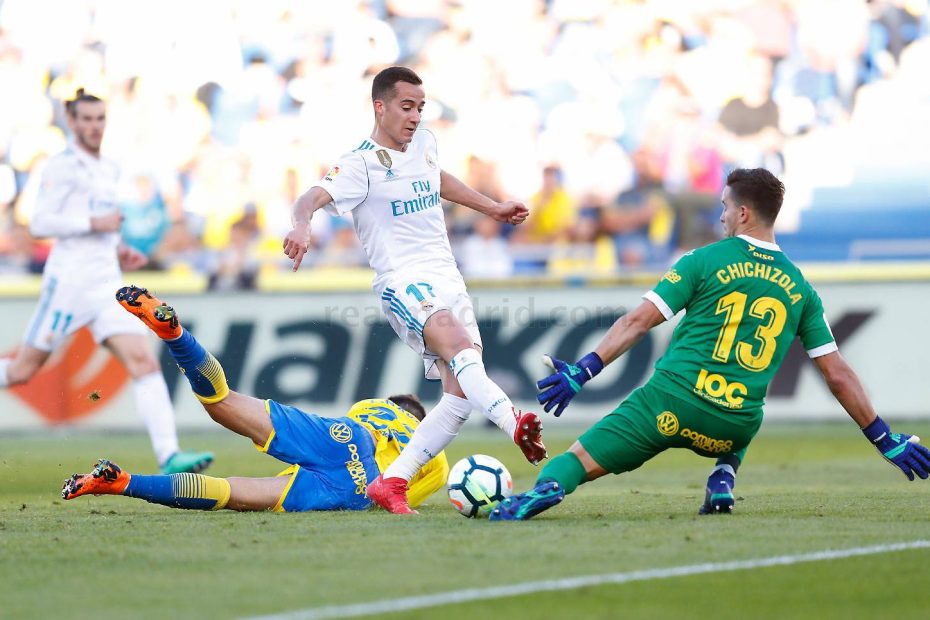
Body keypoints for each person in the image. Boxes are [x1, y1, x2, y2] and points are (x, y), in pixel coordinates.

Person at [491, 168, 930, 521]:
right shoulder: (801, 289)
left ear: (742, 213)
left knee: (577, 460)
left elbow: (637, 322)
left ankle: (545, 490)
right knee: (749, 397)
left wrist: (584, 368)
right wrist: (883, 437)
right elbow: (837, 374)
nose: (720, 216)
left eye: (724, 207)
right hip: (732, 427)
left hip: (669, 408)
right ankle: (724, 472)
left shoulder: (704, 259)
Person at [282, 66, 546, 515]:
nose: (415, 116)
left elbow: (436, 179)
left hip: (448, 275)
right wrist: (302, 224)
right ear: (380, 107)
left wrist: (494, 208)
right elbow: (310, 196)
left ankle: (393, 482)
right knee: (461, 349)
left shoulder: (423, 144)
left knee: (459, 397)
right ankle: (513, 420)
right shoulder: (359, 164)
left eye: (420, 108)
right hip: (403, 281)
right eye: (407, 107)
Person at [62, 286, 448, 512]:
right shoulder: (438, 460)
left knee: (221, 402)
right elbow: (396, 494)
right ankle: (122, 482)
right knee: (232, 491)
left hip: (348, 436)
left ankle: (176, 336)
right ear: (420, 419)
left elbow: (355, 429)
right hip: (356, 487)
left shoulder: (370, 407)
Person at [0, 90, 212, 475]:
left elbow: (103, 224)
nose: (95, 126)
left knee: (144, 360)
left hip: (106, 285)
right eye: (87, 119)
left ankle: (169, 456)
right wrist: (94, 225)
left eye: (100, 119)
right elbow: (40, 222)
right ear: (71, 121)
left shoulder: (108, 166)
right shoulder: (61, 166)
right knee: (21, 372)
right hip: (69, 284)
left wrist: (120, 247)